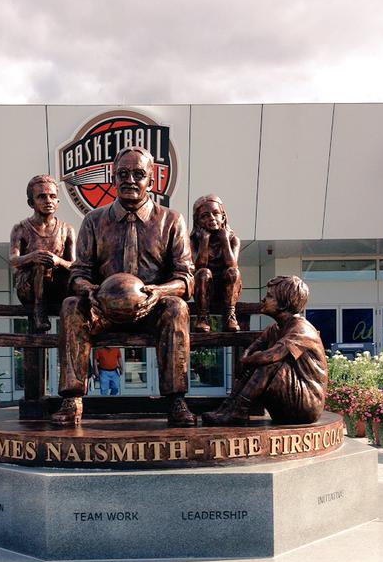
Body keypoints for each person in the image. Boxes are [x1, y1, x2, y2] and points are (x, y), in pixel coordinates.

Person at [51, 146, 195, 427]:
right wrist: (89, 290)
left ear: (151, 181)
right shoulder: (94, 221)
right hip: (103, 310)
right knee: (71, 306)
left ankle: (176, 400)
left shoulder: (171, 220)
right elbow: (78, 273)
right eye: (123, 174)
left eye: (139, 174)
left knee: (177, 308)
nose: (130, 180)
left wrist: (159, 292)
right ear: (113, 179)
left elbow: (185, 279)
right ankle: (72, 400)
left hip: (150, 310)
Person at [203, 276, 327, 426]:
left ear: (283, 303)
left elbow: (271, 356)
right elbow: (253, 348)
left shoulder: (302, 330)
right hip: (287, 404)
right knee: (258, 359)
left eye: (269, 296)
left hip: (306, 405)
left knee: (268, 363)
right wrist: (246, 359)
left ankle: (238, 412)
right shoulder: (274, 329)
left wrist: (247, 360)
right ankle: (229, 408)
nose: (263, 299)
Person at [9, 175, 75, 332]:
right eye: (42, 196)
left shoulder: (67, 229)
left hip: (57, 287)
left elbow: (74, 265)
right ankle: (39, 310)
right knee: (41, 261)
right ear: (31, 203)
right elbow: (13, 259)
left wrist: (58, 260)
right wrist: (33, 256)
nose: (48, 201)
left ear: (58, 201)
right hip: (29, 289)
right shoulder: (20, 228)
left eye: (52, 196)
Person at [190, 194, 242, 332]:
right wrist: (204, 242)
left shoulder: (233, 239)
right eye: (205, 216)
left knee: (233, 272)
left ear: (223, 217)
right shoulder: (193, 241)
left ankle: (230, 314)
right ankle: (202, 316)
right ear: (198, 221)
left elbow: (232, 264)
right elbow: (199, 266)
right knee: (203, 273)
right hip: (204, 289)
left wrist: (224, 240)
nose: (211, 218)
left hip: (227, 289)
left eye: (215, 214)